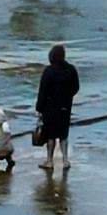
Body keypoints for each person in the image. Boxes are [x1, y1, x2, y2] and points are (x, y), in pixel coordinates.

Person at [36, 43, 79, 172]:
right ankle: (65, 160)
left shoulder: (48, 71)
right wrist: (67, 97)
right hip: (65, 107)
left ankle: (49, 160)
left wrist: (39, 108)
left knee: (50, 136)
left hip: (50, 108)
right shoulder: (71, 70)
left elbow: (42, 91)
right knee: (63, 135)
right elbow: (76, 87)